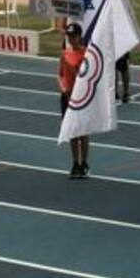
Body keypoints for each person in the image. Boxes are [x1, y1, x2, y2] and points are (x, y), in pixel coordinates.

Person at [59, 23, 90, 178]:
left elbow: (89, 77)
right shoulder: (64, 54)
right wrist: (65, 90)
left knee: (82, 131)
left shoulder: (87, 54)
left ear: (80, 36)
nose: (71, 39)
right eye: (69, 36)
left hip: (82, 97)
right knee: (72, 131)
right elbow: (60, 75)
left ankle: (84, 162)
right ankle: (75, 163)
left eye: (74, 36)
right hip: (67, 96)